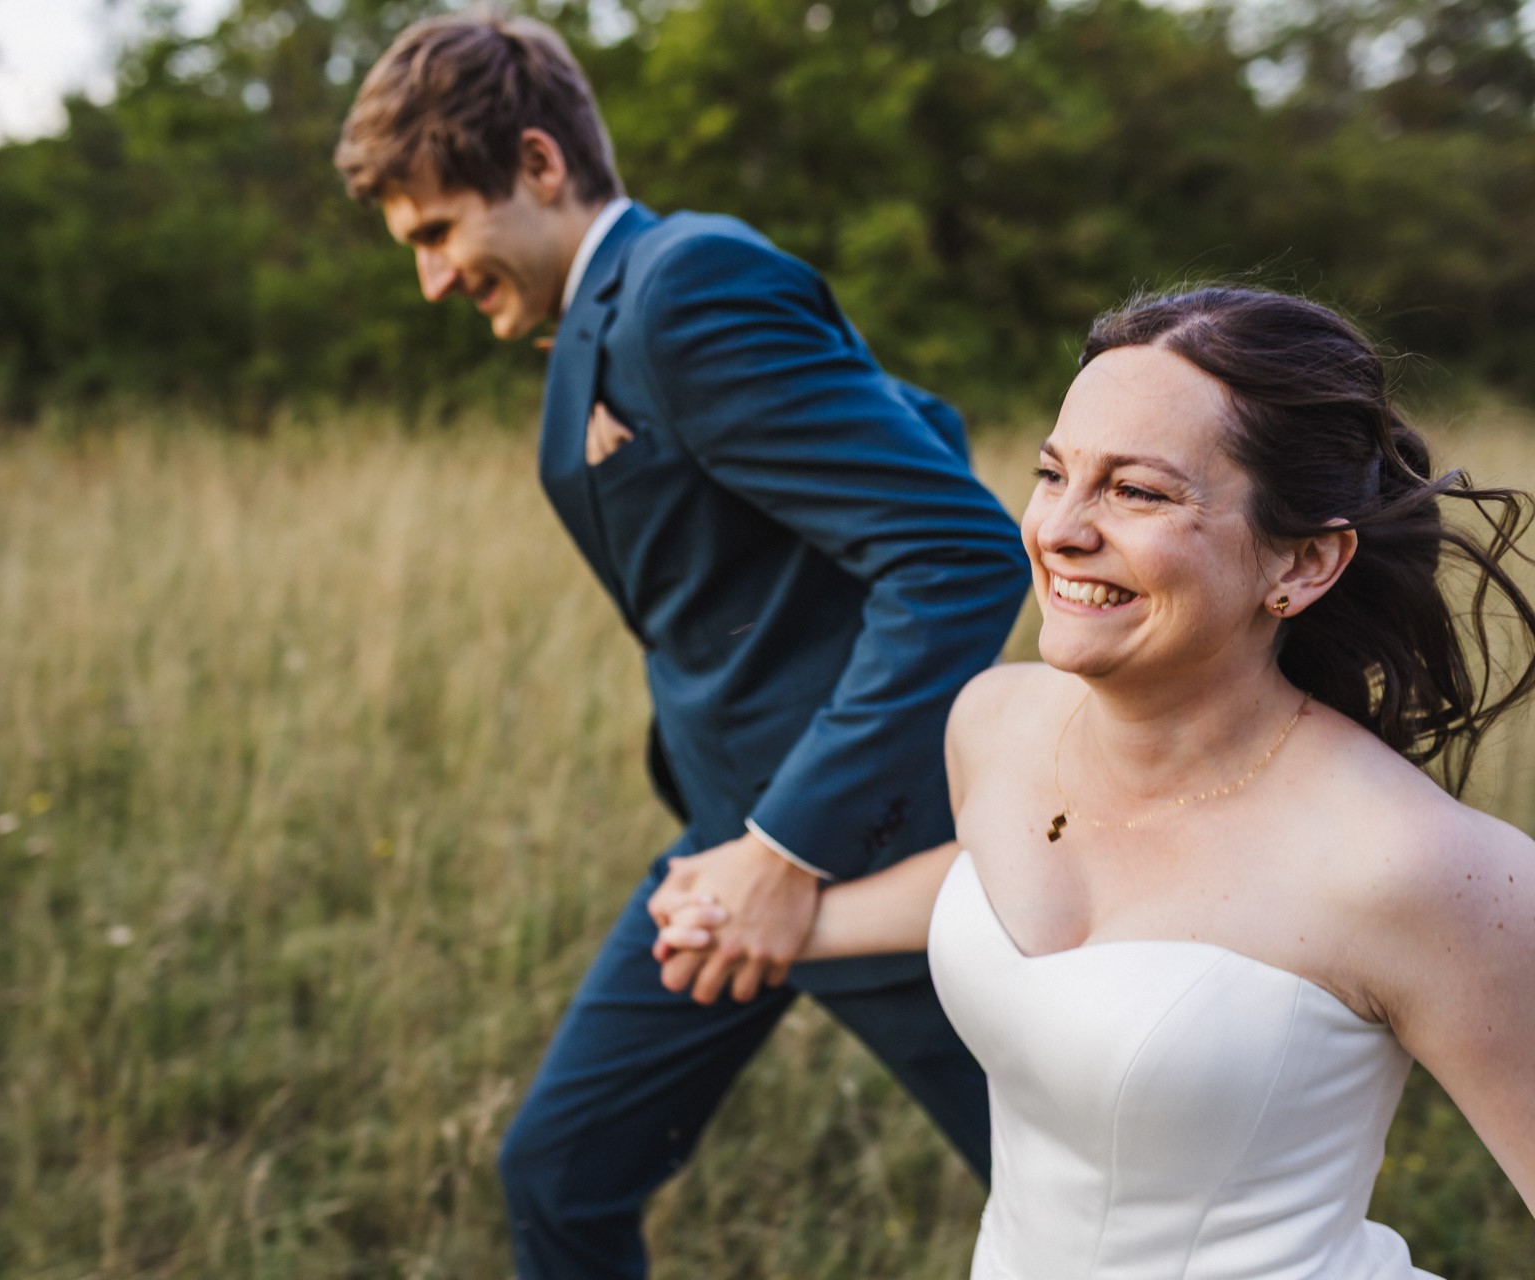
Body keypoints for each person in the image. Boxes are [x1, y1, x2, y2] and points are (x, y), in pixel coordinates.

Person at [335, 13, 1030, 1277]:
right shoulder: (603, 314)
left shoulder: (687, 286)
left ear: (540, 165)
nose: (430, 277)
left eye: (439, 233)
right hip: (725, 846)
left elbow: (960, 549)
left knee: (1097, 1206)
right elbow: (920, 423)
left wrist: (787, 847)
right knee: (559, 1169)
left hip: (874, 852)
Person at [656, 287, 1535, 1277]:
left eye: (1138, 491)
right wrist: (793, 923)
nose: (1059, 529)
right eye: (1052, 473)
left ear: (1303, 559)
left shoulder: (1422, 866)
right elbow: (1015, 877)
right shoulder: (995, 722)